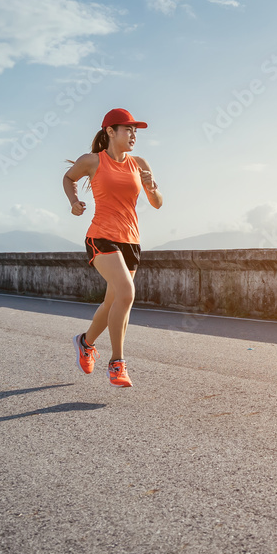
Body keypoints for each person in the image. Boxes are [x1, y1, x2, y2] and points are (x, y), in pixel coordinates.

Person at [62, 108, 163, 387]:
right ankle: (117, 363)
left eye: (136, 131)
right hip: (101, 236)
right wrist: (73, 202)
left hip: (130, 240)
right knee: (127, 293)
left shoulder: (139, 163)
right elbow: (68, 178)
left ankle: (85, 342)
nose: (133, 135)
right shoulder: (93, 161)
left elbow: (157, 203)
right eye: (128, 129)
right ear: (110, 132)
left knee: (111, 302)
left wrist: (152, 187)